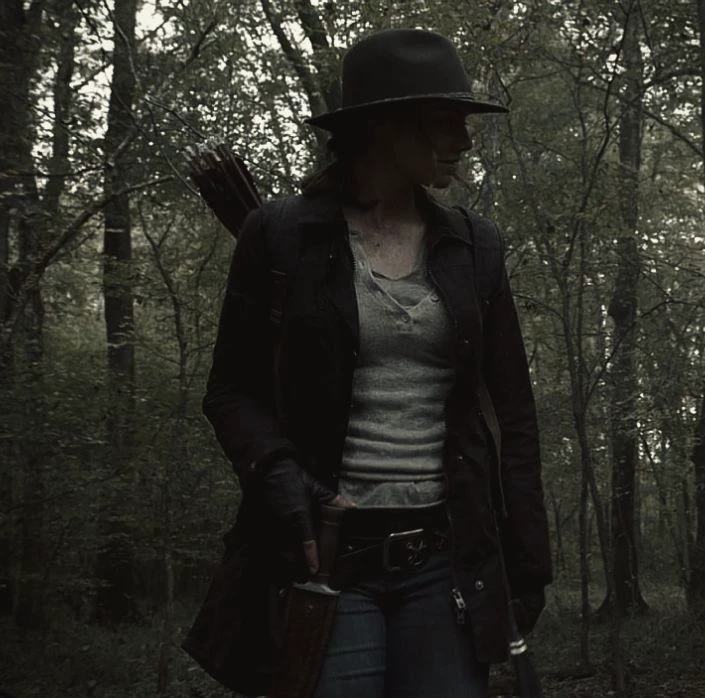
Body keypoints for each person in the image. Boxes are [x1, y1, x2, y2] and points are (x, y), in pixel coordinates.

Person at [196, 28, 552, 698]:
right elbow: (231, 391)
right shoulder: (280, 236)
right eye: (445, 122)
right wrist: (277, 471)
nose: (464, 141)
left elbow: (511, 413)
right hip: (326, 553)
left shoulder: (474, 247)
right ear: (384, 126)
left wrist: (527, 563)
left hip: (446, 554)